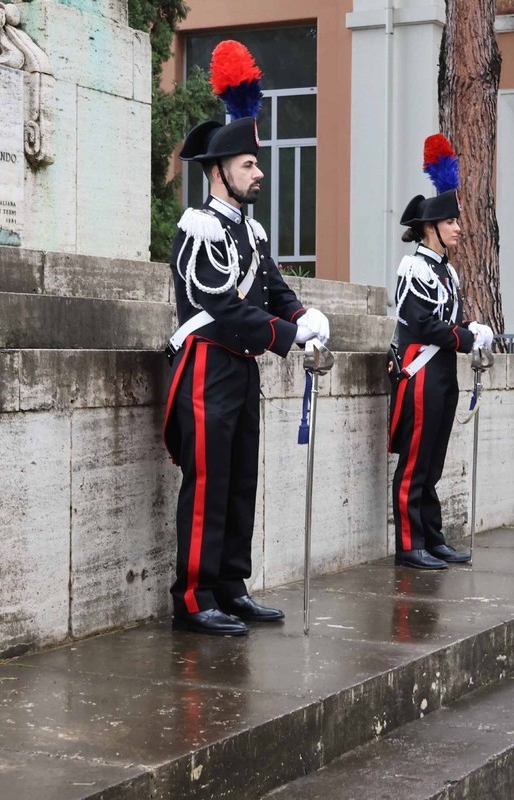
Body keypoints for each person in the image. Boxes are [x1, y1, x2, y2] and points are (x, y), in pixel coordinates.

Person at [162, 113, 330, 636]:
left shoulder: (250, 232)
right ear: (219, 171)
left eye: (257, 163)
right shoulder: (200, 227)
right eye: (249, 164)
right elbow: (221, 305)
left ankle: (232, 586)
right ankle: (193, 597)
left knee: (240, 480)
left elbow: (274, 289)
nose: (259, 173)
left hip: (241, 368)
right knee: (208, 481)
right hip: (207, 364)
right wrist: (286, 335)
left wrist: (304, 315)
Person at [387, 134, 494, 570]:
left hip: (443, 373)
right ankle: (410, 544)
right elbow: (424, 324)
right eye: (451, 221)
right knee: (414, 463)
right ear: (430, 226)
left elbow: (449, 320)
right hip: (421, 372)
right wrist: (466, 338)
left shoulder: (446, 271)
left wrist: (474, 329)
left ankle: (432, 537)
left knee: (433, 460)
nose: (458, 227)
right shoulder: (413, 266)